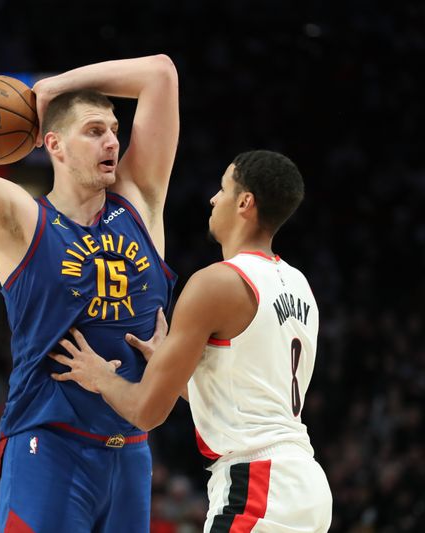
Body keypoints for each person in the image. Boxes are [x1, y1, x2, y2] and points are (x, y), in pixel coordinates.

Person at [0, 55, 180, 532]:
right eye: (94, 131)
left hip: (131, 453)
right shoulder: (20, 219)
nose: (113, 140)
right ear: (54, 144)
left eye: (115, 128)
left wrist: (53, 87)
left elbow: (160, 74)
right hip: (50, 446)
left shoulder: (140, 199)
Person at [50, 151, 333, 532]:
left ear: (245, 202)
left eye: (223, 189)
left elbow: (147, 412)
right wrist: (173, 366)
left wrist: (101, 377)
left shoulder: (217, 282)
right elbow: (247, 393)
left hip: (259, 484)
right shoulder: (300, 285)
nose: (213, 199)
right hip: (307, 483)